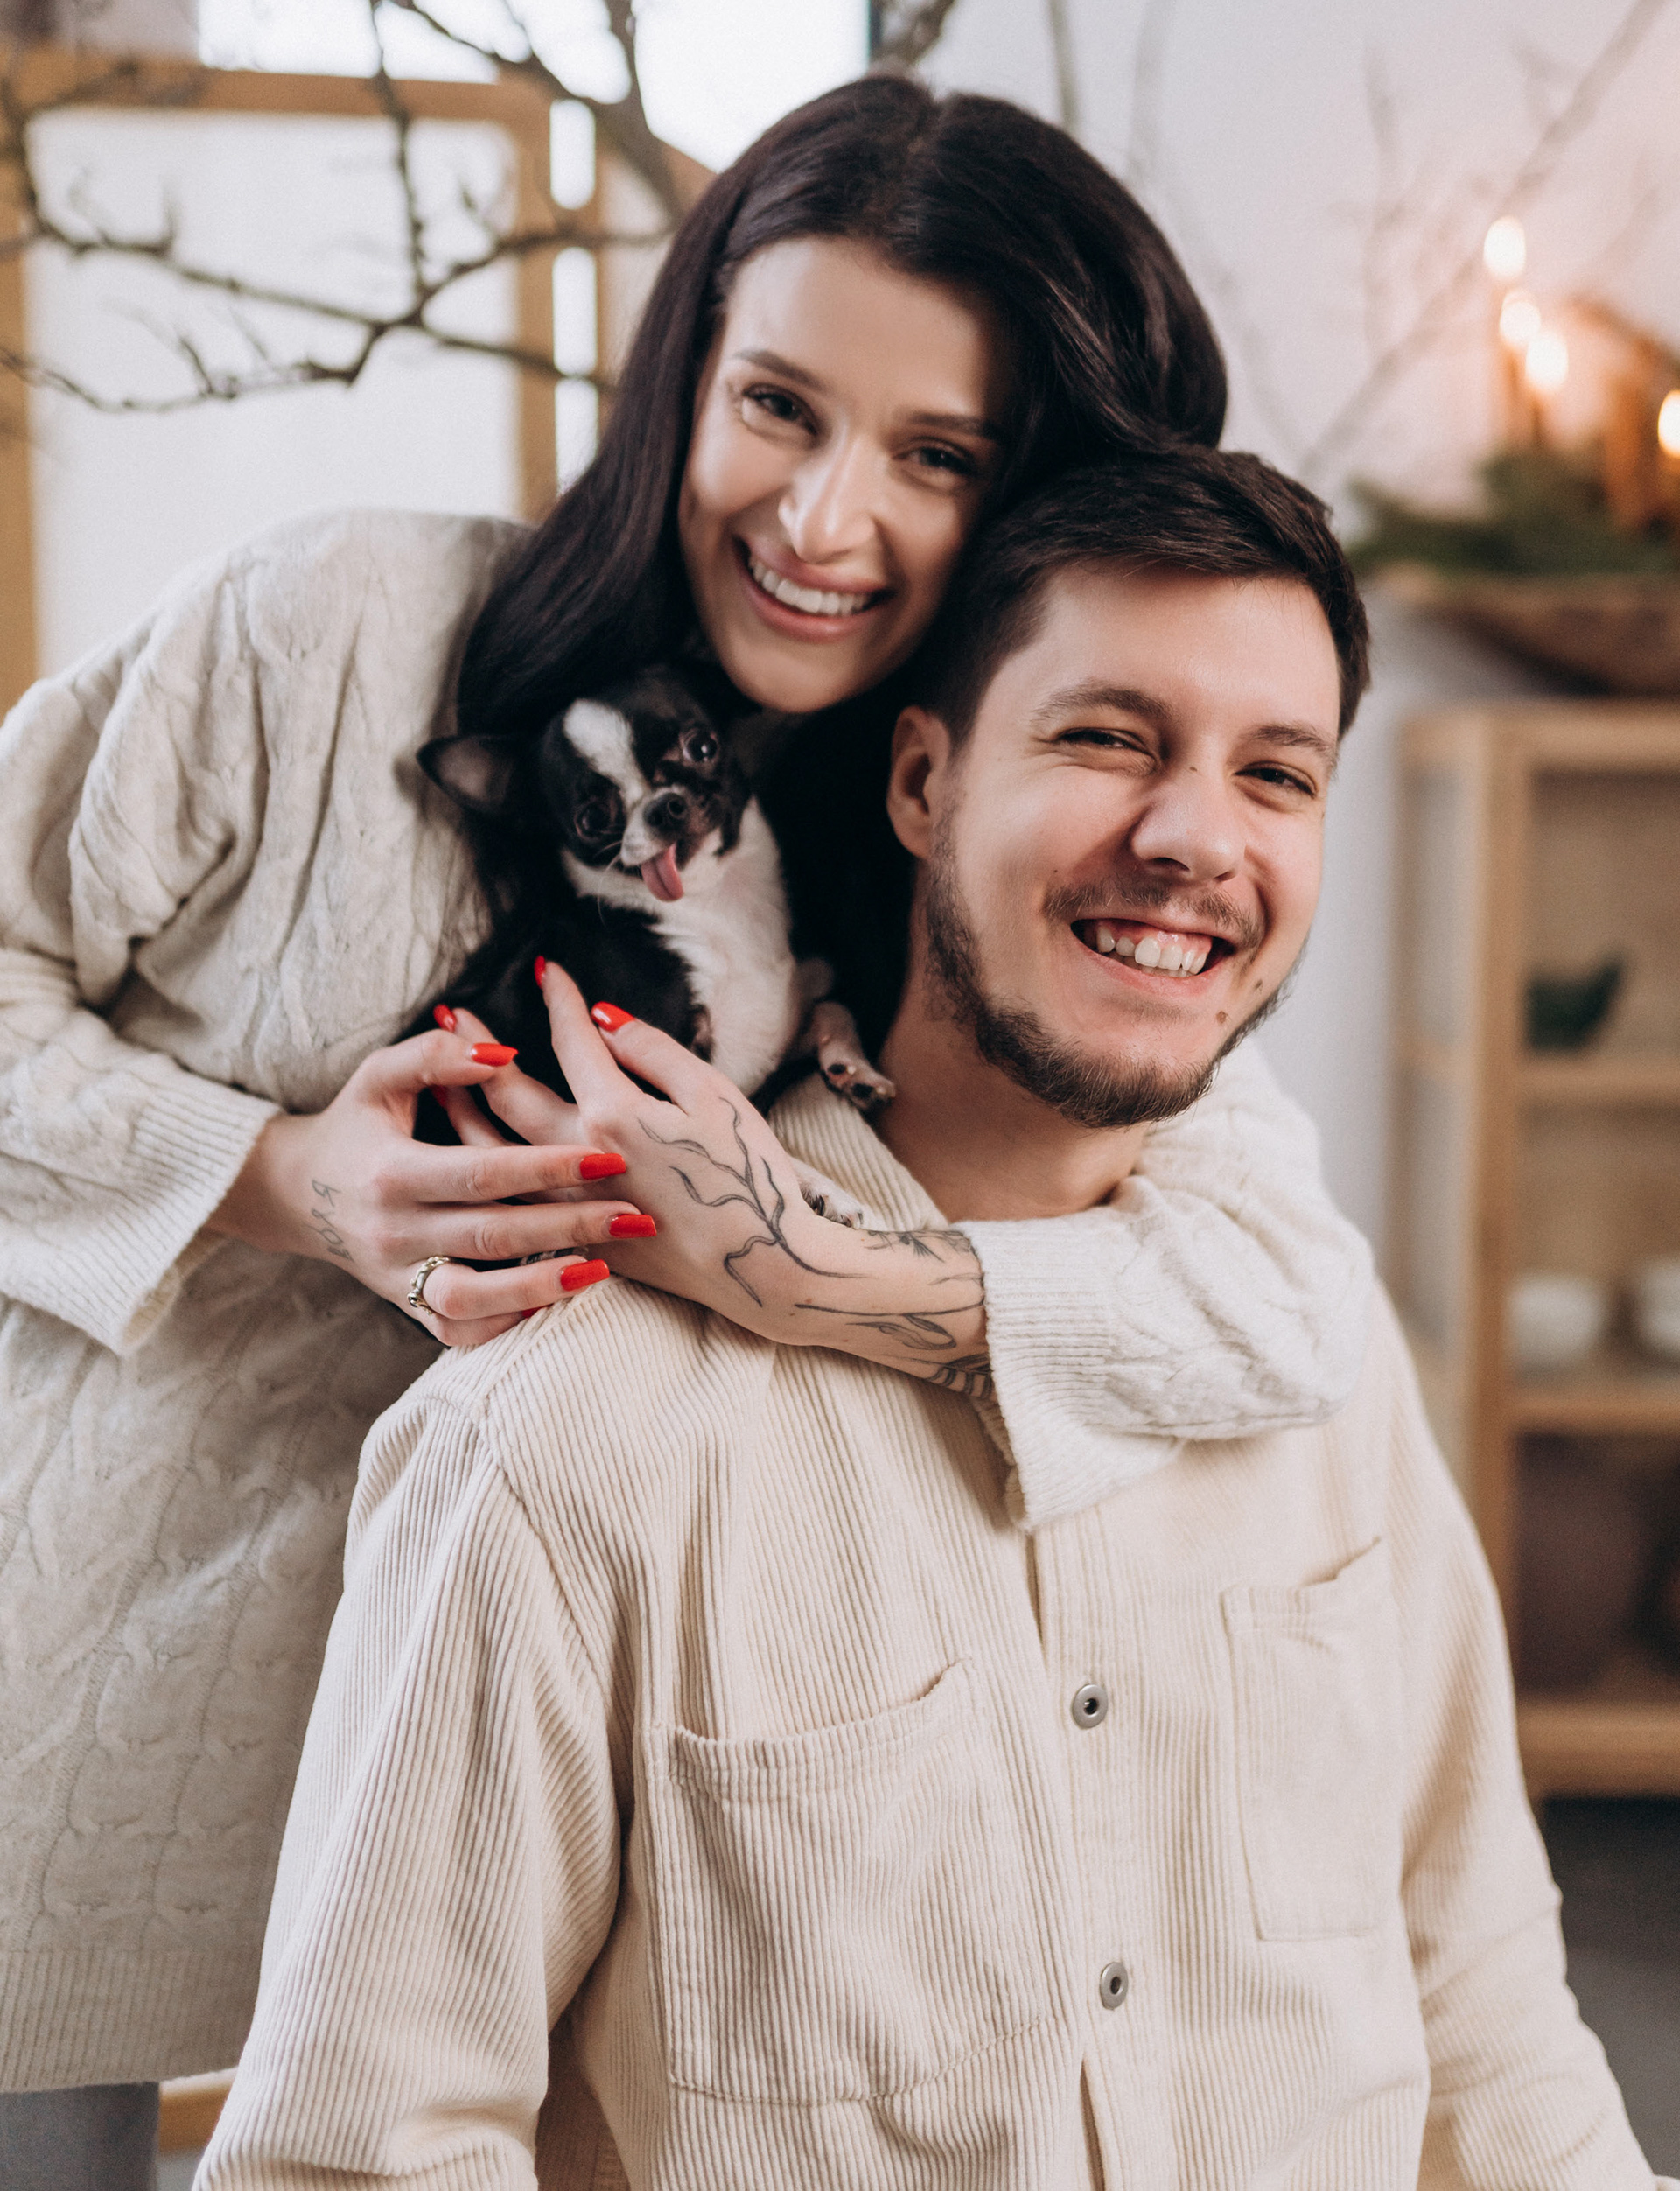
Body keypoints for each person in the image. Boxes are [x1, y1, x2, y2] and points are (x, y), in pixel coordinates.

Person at [0, 80, 1370, 2177]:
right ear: (682, 378)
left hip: (571, 1873)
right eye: (778, 407)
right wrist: (282, 1181)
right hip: (93, 1755)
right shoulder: (329, 632)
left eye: (938, 457)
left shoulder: (964, 871)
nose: (824, 521)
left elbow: (1278, 1297)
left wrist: (829, 1277)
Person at [200, 448, 1667, 2191]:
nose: (1197, 838)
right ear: (920, 780)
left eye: (1277, 773)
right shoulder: (559, 1439)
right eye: (1108, 738)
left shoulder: (1323, 1368)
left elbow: (1488, 2017)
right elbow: (359, 2155)